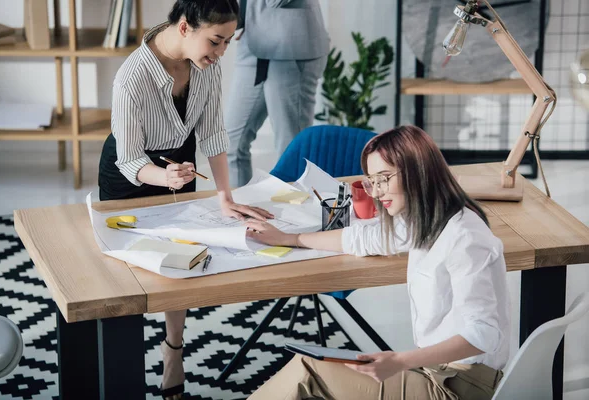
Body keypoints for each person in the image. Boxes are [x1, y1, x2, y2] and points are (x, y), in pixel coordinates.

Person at [243, 125, 511, 400]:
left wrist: (401, 361)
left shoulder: (465, 238)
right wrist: (290, 239)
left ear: (418, 171)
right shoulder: (426, 221)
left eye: (384, 178)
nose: (376, 191)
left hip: (458, 386)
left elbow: (483, 335)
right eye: (372, 180)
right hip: (437, 370)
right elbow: (362, 238)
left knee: (308, 369)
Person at [97, 1, 273, 398]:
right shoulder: (132, 77)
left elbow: (212, 135)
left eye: (229, 42)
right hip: (131, 173)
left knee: (180, 262)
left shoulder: (206, 66)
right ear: (183, 27)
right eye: (215, 40)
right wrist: (163, 177)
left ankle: (173, 350)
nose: (222, 52)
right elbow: (129, 159)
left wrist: (225, 197)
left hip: (181, 164)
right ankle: (120, 363)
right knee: (126, 270)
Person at [225, 0, 330, 187]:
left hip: (291, 46)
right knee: (231, 143)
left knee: (291, 148)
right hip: (253, 42)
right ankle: (238, 209)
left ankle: (296, 213)